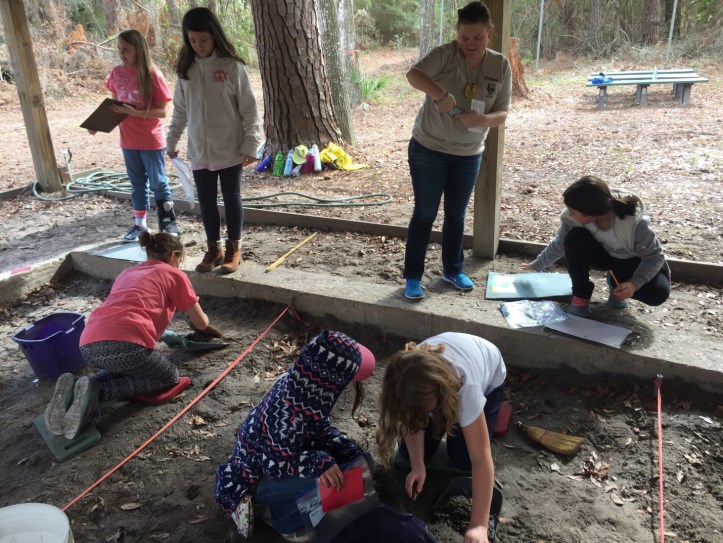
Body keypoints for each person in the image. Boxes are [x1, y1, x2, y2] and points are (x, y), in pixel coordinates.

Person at [43, 231, 221, 440]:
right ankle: (98, 394)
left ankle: (77, 389)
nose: (180, 265)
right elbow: (201, 323)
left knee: (127, 367)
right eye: (180, 260)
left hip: (89, 344)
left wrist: (162, 333)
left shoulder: (127, 273)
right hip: (126, 345)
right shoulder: (174, 274)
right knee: (169, 376)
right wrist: (202, 325)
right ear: (174, 255)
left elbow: (129, 310)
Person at [214, 330, 376, 540]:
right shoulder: (287, 417)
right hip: (259, 477)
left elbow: (320, 427)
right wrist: (317, 462)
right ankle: (279, 517)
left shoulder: (305, 389)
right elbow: (273, 467)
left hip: (288, 453)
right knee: (324, 485)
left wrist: (343, 445)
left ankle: (307, 504)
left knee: (364, 464)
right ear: (331, 384)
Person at [403, 1, 512, 300]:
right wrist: (441, 95)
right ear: (458, 34)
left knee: (456, 214)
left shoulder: (500, 64)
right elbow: (413, 75)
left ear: (489, 34)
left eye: (477, 38)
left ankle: (453, 269)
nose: (470, 44)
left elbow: (502, 113)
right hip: (429, 148)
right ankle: (413, 276)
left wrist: (482, 120)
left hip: (469, 153)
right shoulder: (445, 54)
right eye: (465, 37)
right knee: (425, 212)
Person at [377, 332, 506, 543]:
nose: (419, 418)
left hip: (488, 370)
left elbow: (481, 459)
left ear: (439, 396)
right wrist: (418, 464)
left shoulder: (467, 389)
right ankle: (456, 423)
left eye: (423, 413)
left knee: (463, 459)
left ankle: (484, 415)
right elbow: (410, 421)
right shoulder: (404, 377)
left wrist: (479, 525)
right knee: (410, 455)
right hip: (439, 387)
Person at [167, 7, 261, 274]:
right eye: (193, 40)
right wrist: (172, 139)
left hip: (229, 147)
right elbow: (181, 110)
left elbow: (249, 109)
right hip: (199, 150)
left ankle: (234, 248)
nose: (198, 45)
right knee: (206, 201)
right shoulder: (187, 69)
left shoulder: (232, 66)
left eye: (203, 40)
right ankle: (214, 248)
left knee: (231, 197)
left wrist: (251, 144)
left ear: (215, 36)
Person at [521, 176, 671, 317]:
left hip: (633, 262)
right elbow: (559, 243)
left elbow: (654, 257)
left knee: (658, 294)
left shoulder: (635, 223)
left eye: (573, 211)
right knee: (573, 238)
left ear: (591, 212)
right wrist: (537, 264)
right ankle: (581, 296)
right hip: (605, 255)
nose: (570, 214)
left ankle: (615, 283)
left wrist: (633, 284)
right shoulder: (574, 218)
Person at [94, 29, 179, 241]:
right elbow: (113, 106)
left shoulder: (152, 75)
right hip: (128, 139)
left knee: (158, 182)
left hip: (150, 139)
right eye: (119, 49)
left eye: (126, 49)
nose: (121, 53)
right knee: (137, 183)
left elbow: (163, 111)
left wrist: (136, 113)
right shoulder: (116, 73)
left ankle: (168, 224)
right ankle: (140, 225)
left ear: (138, 50)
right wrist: (98, 124)